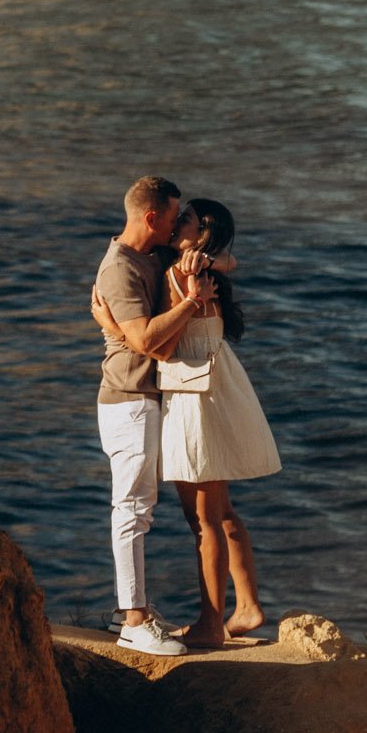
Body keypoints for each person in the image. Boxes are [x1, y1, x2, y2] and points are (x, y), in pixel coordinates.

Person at [91, 175, 211, 656]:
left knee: (141, 509)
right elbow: (142, 341)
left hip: (145, 398)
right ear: (150, 217)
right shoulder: (120, 268)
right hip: (128, 399)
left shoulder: (149, 256)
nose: (173, 226)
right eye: (170, 217)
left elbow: (224, 259)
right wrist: (190, 302)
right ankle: (133, 621)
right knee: (132, 510)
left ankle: (140, 609)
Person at [152, 196, 279, 648]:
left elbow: (161, 346)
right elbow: (232, 258)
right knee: (220, 513)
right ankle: (246, 606)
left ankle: (211, 623)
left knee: (202, 519)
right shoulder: (205, 268)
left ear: (200, 232)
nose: (174, 223)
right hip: (219, 385)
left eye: (183, 219)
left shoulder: (180, 274)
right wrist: (209, 258)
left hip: (194, 393)